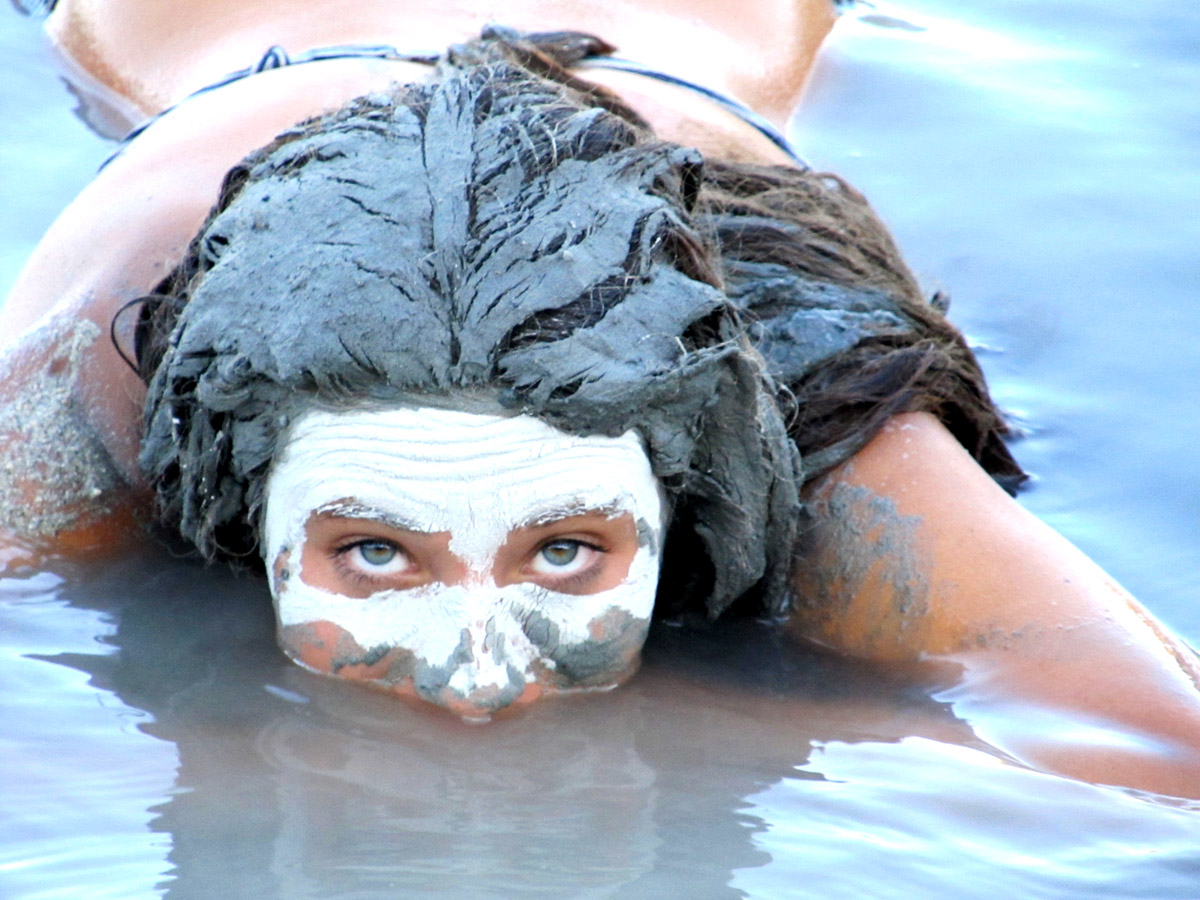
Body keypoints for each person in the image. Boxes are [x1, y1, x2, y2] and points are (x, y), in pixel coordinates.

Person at [2, 0, 1199, 796]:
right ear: (242, 497)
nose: (476, 681)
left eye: (567, 551)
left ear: (684, 486)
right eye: (373, 552)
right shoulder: (107, 380)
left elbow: (1160, 760)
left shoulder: (805, 411)